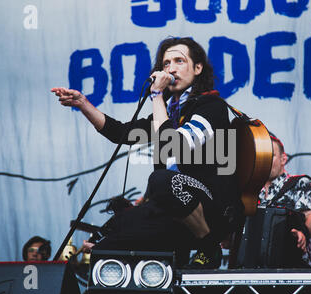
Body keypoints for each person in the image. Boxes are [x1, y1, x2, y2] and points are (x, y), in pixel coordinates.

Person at [51, 37, 243, 269]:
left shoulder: (212, 106)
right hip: (172, 207)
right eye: (165, 63)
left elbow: (173, 145)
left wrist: (157, 96)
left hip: (212, 205)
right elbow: (121, 133)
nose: (170, 68)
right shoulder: (169, 111)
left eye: (179, 61)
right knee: (110, 236)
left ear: (198, 68)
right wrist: (83, 104)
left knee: (161, 180)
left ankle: (208, 244)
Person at [258, 135, 311, 268]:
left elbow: (310, 214)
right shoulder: (251, 192)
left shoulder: (299, 183)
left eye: (271, 156)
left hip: (294, 268)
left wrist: (303, 234)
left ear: (283, 159)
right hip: (257, 269)